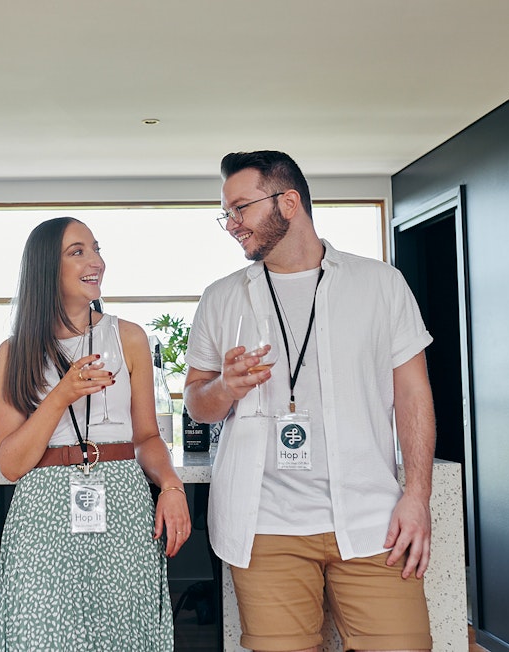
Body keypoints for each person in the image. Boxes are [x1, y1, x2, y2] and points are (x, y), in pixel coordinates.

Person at [183, 150, 436, 652]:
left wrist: (418, 496)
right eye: (226, 213)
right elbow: (196, 404)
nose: (231, 224)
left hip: (372, 521)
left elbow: (412, 395)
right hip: (264, 528)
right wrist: (226, 388)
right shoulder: (221, 297)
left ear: (289, 201)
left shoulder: (381, 284)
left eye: (240, 209)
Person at [0, 216, 191, 651]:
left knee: (124, 636)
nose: (96, 261)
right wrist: (61, 395)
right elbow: (11, 463)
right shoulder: (14, 352)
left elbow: (148, 439)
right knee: (41, 637)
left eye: (96, 249)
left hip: (122, 504)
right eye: (77, 252)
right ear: (46, 269)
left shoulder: (129, 337)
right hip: (42, 513)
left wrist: (172, 487)